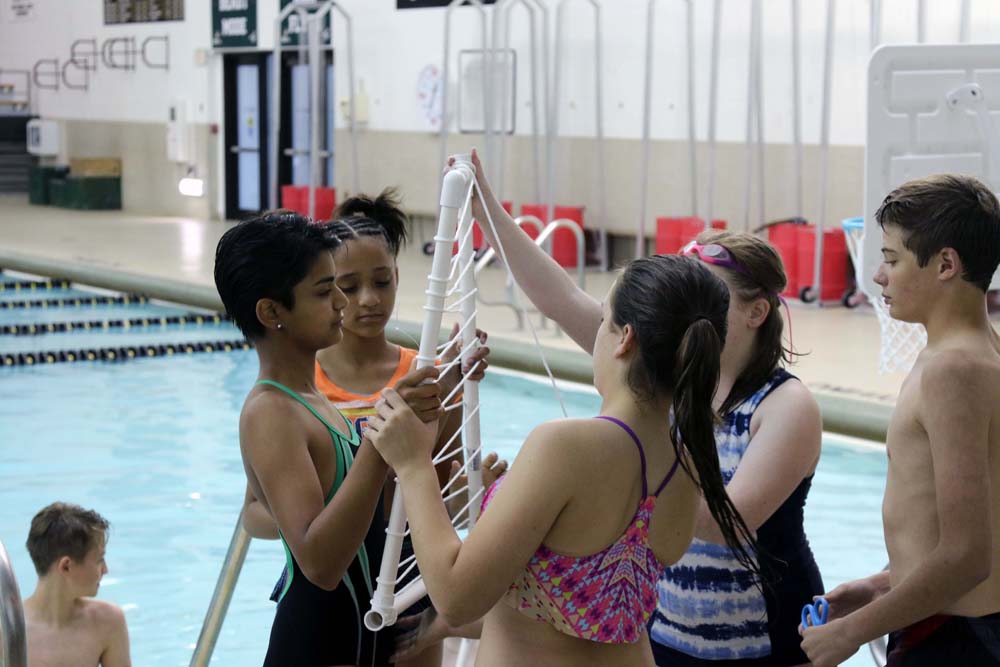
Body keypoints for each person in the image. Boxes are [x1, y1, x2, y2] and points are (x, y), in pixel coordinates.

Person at [367, 241, 762, 666]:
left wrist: (414, 463)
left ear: (624, 339)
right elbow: (578, 608)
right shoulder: (688, 463)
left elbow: (457, 598)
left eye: (605, 321)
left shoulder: (567, 448)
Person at [238, 192, 501, 667]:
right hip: (330, 600)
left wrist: (484, 488)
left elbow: (445, 496)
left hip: (409, 596)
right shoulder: (293, 396)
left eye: (381, 282)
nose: (362, 301)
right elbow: (261, 517)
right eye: (337, 287)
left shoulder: (427, 377)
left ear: (398, 277)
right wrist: (322, 507)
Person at [214, 210, 443, 666]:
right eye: (325, 291)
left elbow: (372, 519)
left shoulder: (311, 399)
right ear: (271, 311)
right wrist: (379, 442)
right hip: (316, 644)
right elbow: (319, 563)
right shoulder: (271, 413)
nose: (343, 302)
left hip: (360, 640)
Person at [800, 174, 1000, 666]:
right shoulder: (971, 354)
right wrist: (876, 587)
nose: (878, 276)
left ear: (946, 264)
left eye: (891, 259)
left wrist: (852, 633)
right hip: (955, 628)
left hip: (953, 642)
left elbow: (969, 556)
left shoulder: (954, 371)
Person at [651, 231, 823, 667]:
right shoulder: (679, 381)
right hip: (668, 631)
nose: (690, 311)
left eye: (710, 296)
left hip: (767, 641)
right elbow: (572, 308)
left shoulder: (786, 404)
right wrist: (485, 214)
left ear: (756, 312)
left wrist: (635, 463)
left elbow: (727, 522)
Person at [23, 502, 130, 667]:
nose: (105, 569)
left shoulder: (108, 622)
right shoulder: (8, 632)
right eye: (99, 560)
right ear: (66, 566)